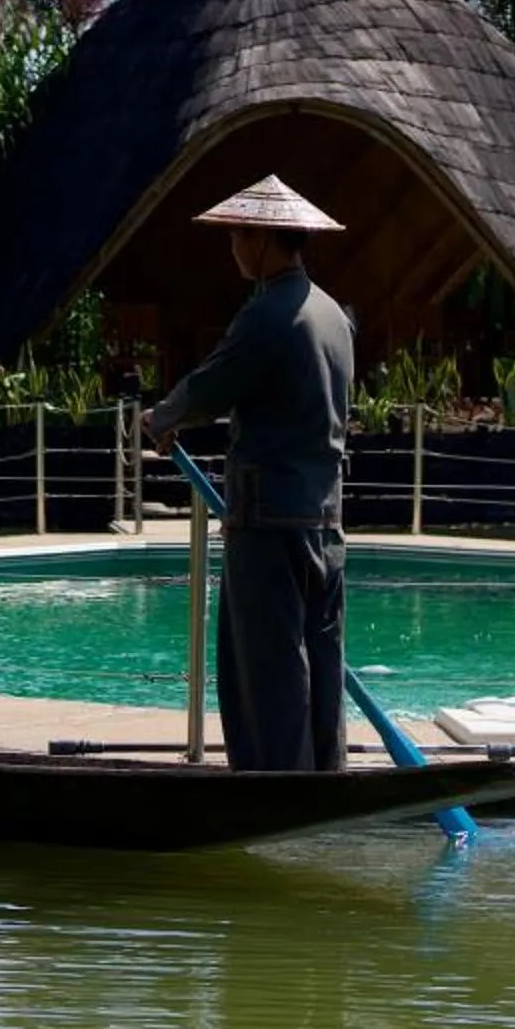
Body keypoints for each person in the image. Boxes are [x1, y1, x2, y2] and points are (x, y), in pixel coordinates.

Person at [144, 175, 354, 772]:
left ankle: (277, 781)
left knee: (269, 662)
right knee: (320, 652)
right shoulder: (332, 314)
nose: (232, 248)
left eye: (237, 235)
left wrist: (162, 416)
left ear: (262, 239)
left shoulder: (270, 312)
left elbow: (217, 382)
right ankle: (323, 771)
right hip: (324, 519)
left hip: (268, 518)